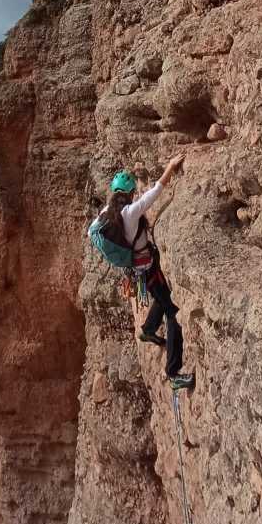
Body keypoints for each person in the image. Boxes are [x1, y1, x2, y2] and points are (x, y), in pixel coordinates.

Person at [103, 153, 194, 391]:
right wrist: (171, 167)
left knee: (162, 298)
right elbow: (154, 192)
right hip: (147, 267)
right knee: (172, 312)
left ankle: (148, 330)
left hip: (138, 269)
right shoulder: (130, 213)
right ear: (130, 193)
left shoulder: (105, 215)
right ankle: (173, 373)